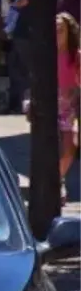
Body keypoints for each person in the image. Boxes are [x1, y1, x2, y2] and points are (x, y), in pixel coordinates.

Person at [56, 13, 80, 195]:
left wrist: (74, 91)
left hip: (69, 107)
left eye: (61, 30)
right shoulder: (47, 54)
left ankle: (58, 177)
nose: (57, 33)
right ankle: (57, 182)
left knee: (70, 144)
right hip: (49, 104)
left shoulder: (75, 55)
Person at [3, 0, 31, 113]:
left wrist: (7, 29)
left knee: (22, 71)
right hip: (17, 34)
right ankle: (15, 103)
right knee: (14, 70)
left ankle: (23, 104)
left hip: (24, 34)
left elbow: (18, 7)